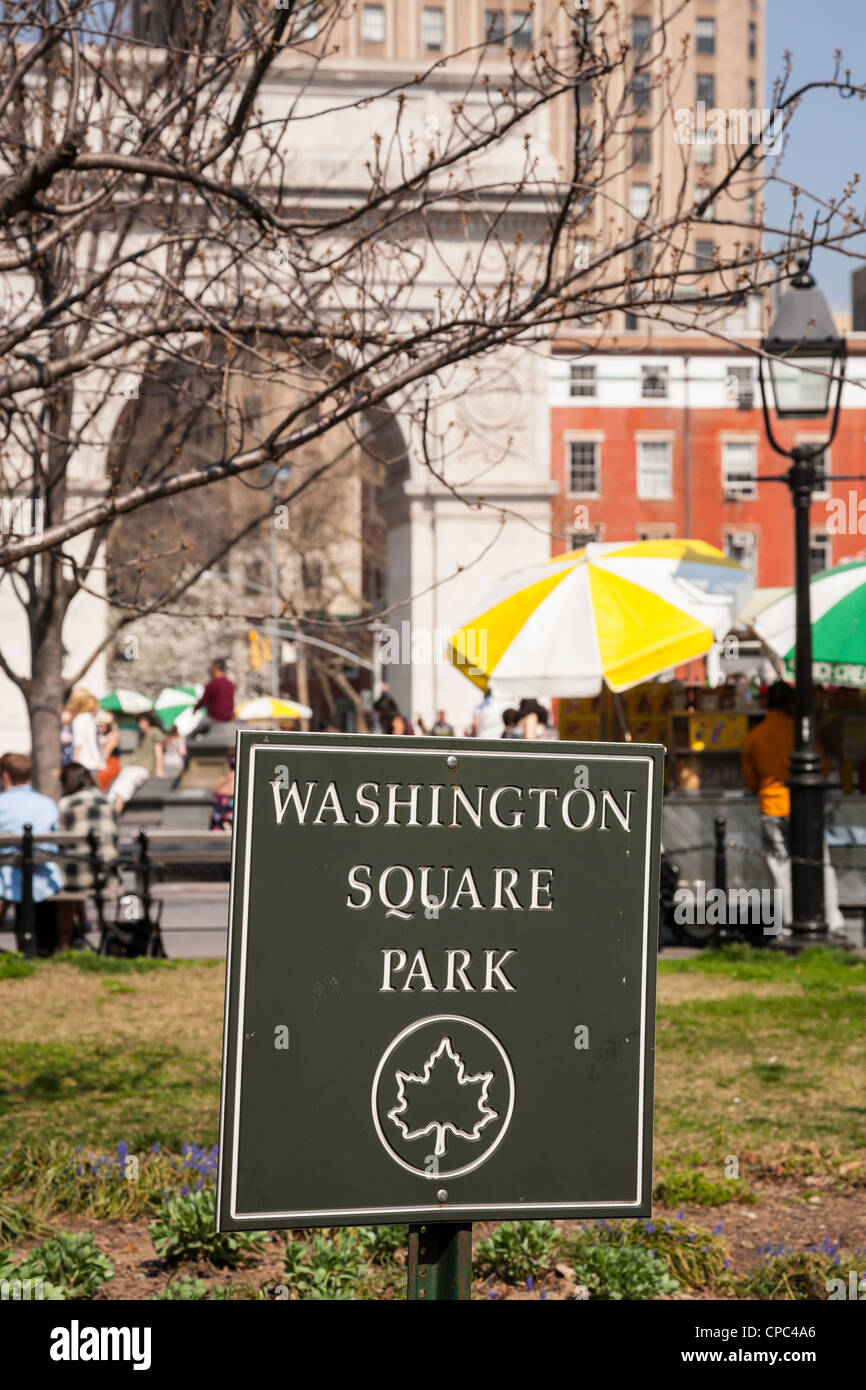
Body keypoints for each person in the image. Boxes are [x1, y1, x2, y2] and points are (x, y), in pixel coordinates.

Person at [742, 680, 845, 935]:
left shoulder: (755, 736)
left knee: (781, 869)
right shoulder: (802, 734)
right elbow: (823, 769)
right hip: (804, 809)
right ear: (791, 704)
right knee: (819, 863)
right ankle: (833, 922)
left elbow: (749, 779)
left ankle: (787, 926)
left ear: (767, 703)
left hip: (771, 807)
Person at [0, 752, 63, 954]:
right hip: (44, 877)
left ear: (6, 776)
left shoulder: (2, 803)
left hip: (7, 878)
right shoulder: (46, 803)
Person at [57, 763, 120, 949]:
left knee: (69, 873)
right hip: (108, 875)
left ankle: (64, 944)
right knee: (80, 864)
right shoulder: (108, 801)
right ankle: (83, 923)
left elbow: (60, 841)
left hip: (76, 875)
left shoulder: (66, 804)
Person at [112, 713, 165, 813]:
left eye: (144, 721)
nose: (141, 723)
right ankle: (110, 810)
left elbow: (159, 752)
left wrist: (159, 770)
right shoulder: (141, 735)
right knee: (116, 787)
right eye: (140, 721)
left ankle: (115, 813)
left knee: (123, 788)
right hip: (132, 767)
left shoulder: (154, 732)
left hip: (143, 768)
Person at [67, 689, 105, 779]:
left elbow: (79, 742)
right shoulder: (86, 718)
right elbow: (80, 741)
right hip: (88, 763)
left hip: (86, 763)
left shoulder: (84, 718)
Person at [193, 659, 235, 725]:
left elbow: (204, 700)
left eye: (212, 667)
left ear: (215, 668)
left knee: (192, 734)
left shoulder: (212, 683)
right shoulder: (230, 684)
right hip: (227, 718)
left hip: (214, 717)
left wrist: (196, 708)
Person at [210, 753, 235, 832]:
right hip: (225, 802)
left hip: (225, 802)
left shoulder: (227, 776)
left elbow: (216, 789)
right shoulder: (229, 776)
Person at [97, 713, 120, 793]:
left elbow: (107, 753)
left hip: (110, 763)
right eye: (99, 726)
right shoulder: (99, 735)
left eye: (103, 726)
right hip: (101, 761)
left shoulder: (113, 735)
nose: (100, 728)